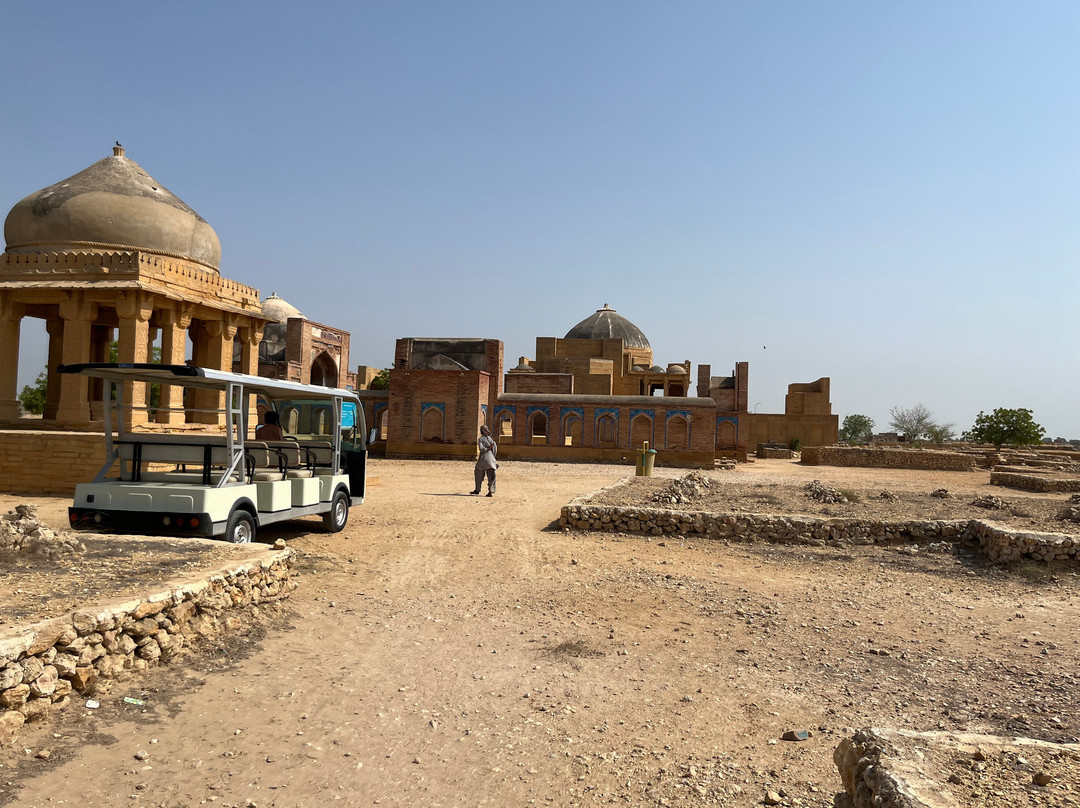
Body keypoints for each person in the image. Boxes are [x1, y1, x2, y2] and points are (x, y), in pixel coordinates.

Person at [471, 424, 497, 497]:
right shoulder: (491, 439)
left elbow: (481, 449)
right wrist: (493, 457)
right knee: (492, 476)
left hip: (483, 459)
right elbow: (495, 449)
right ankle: (491, 491)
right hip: (491, 460)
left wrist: (488, 448)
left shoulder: (481, 439)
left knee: (478, 473)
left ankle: (477, 489)